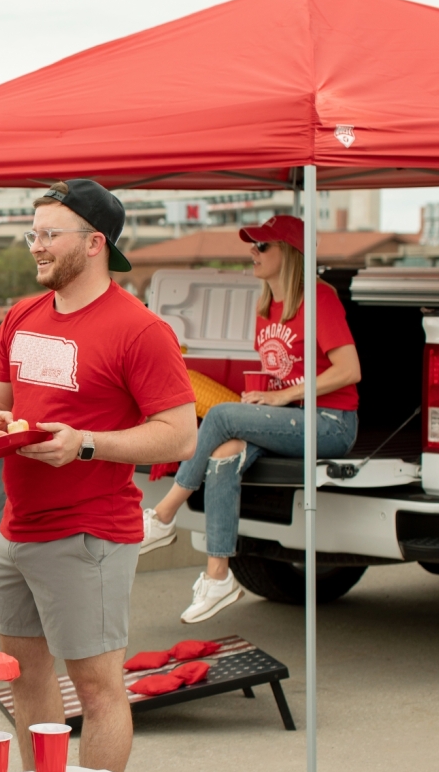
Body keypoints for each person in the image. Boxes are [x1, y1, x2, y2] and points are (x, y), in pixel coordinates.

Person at [0, 180, 196, 772]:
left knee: (97, 691)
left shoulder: (140, 329)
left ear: (95, 243)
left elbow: (180, 433)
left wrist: (87, 444)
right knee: (24, 679)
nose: (36, 246)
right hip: (16, 531)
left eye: (49, 234)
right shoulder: (21, 315)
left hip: (90, 533)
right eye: (33, 234)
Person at [141, 215, 361, 623]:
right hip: (289, 417)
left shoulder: (317, 298)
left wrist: (281, 396)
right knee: (225, 450)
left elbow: (350, 370)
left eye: (263, 246)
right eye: (252, 246)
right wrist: (267, 399)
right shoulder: (266, 306)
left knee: (222, 416)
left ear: (290, 252)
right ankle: (218, 576)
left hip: (329, 422)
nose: (253, 253)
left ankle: (164, 515)